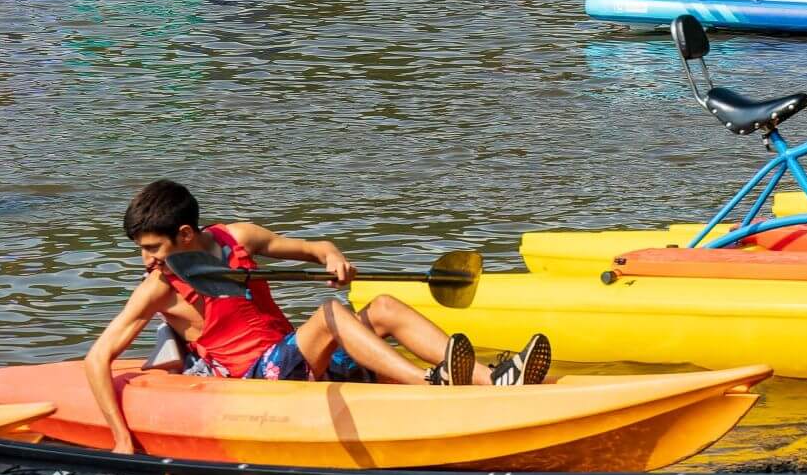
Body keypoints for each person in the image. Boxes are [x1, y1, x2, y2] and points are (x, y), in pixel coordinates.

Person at [82, 182, 549, 447]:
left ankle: (494, 380)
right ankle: (430, 387)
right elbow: (96, 358)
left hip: (297, 362)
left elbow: (315, 247)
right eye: (142, 251)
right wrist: (121, 437)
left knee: (382, 307)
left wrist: (334, 260)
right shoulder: (158, 288)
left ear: (186, 234)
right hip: (254, 383)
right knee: (328, 315)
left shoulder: (237, 239)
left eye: (152, 248)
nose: (146, 260)